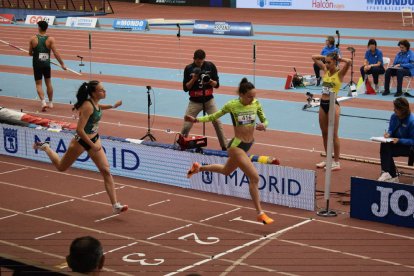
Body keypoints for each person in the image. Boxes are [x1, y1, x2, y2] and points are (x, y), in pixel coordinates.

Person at [185, 78, 274, 225]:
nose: (253, 99)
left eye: (254, 96)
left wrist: (264, 125)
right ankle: (260, 213)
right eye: (250, 96)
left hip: (248, 144)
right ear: (241, 94)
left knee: (226, 170)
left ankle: (198, 168)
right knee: (254, 178)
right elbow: (214, 116)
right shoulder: (232, 105)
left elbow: (265, 120)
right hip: (235, 146)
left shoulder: (256, 104)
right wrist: (197, 121)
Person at [33, 80, 128, 214]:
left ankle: (115, 205)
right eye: (101, 90)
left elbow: (99, 107)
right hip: (81, 142)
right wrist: (92, 146)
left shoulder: (95, 103)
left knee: (106, 171)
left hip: (94, 139)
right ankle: (46, 147)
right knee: (61, 167)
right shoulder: (87, 106)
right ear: (94, 93)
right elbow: (79, 130)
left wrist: (113, 105)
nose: (104, 91)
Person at [312, 53, 352, 171]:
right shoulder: (325, 70)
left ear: (335, 62)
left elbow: (349, 62)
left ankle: (336, 162)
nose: (326, 64)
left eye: (329, 62)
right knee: (324, 133)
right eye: (326, 62)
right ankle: (328, 158)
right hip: (322, 104)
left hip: (332, 105)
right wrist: (324, 57)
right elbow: (314, 58)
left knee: (333, 135)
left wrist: (340, 58)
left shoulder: (340, 73)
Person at [181, 49, 227, 150]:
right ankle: (182, 145)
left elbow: (217, 85)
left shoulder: (210, 66)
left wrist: (209, 81)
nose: (200, 64)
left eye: (201, 61)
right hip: (194, 101)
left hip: (209, 101)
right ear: (194, 59)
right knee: (186, 126)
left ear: (204, 59)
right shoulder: (188, 68)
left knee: (217, 122)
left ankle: (225, 147)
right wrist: (194, 78)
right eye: (198, 61)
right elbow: (185, 88)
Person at [29, 20, 66, 111]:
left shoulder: (33, 39)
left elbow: (30, 53)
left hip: (37, 64)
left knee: (38, 84)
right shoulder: (50, 39)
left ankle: (43, 102)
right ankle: (50, 102)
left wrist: (35, 53)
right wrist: (62, 64)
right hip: (46, 64)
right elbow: (56, 53)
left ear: (39, 28)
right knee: (48, 83)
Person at [378, 97, 414, 182]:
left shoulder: (412, 121)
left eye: (396, 108)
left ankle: (390, 174)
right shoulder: (394, 117)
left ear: (402, 110)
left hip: (410, 147)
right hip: (398, 144)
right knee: (385, 145)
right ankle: (389, 174)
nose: (394, 110)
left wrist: (400, 140)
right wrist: (389, 134)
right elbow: (391, 129)